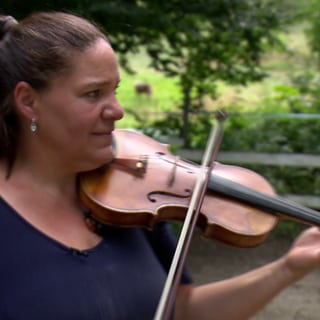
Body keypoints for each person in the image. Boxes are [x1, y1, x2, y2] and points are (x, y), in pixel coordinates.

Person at [0, 11, 320, 320]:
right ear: (28, 101)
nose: (118, 110)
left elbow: (181, 310)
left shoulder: (128, 200)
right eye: (93, 94)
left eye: (115, 90)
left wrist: (289, 268)